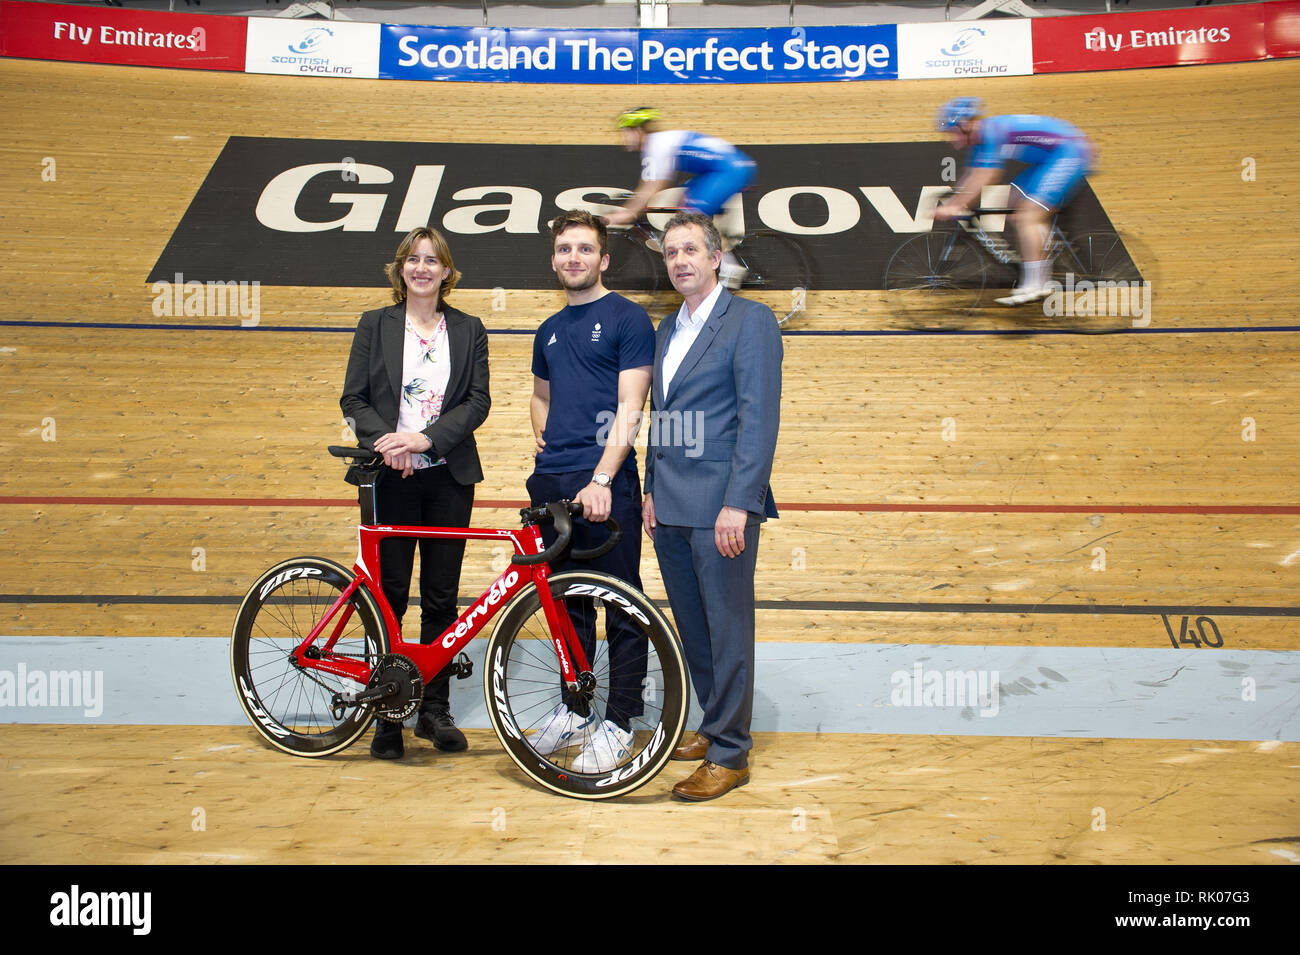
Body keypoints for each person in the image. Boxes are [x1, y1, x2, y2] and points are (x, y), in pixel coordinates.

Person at [641, 211, 782, 801]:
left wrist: (739, 505)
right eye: (671, 252)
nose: (679, 261)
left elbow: (759, 420)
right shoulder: (664, 329)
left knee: (727, 629)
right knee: (694, 628)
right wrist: (649, 487)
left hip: (720, 506)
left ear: (716, 256)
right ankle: (710, 723)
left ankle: (731, 753)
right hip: (669, 505)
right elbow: (660, 417)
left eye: (690, 250)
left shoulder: (750, 321)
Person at [340, 226, 490, 760]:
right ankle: (386, 712)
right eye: (413, 259)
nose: (422, 268)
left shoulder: (469, 329)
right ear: (400, 269)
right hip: (391, 476)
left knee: (442, 598)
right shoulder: (373, 324)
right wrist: (390, 445)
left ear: (447, 272)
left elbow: (477, 402)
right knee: (388, 598)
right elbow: (354, 399)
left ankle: (433, 710)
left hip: (447, 475)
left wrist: (426, 439)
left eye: (433, 260)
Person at [525, 209, 655, 773]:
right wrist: (543, 443)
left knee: (621, 604)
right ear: (554, 260)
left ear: (603, 259)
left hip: (606, 484)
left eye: (584, 249)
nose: (572, 257)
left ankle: (620, 721)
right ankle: (575, 710)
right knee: (567, 604)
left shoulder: (628, 317)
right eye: (563, 249)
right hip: (552, 483)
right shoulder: (548, 330)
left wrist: (601, 477)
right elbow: (541, 397)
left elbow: (631, 409)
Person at [933, 97, 1096, 306]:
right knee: (1013, 204)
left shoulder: (991, 134)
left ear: (965, 126)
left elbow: (987, 176)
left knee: (1029, 216)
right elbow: (972, 176)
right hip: (1050, 158)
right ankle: (1042, 253)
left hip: (1071, 154)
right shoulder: (980, 138)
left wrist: (956, 205)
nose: (950, 139)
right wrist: (955, 199)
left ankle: (1038, 284)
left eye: (951, 132)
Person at [604, 107, 757, 289]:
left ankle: (730, 267)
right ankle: (722, 253)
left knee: (692, 217)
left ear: (637, 131)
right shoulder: (660, 141)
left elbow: (653, 187)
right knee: (682, 207)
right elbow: (653, 184)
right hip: (724, 169)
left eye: (626, 133)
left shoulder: (656, 145)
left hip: (729, 171)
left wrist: (628, 213)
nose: (624, 138)